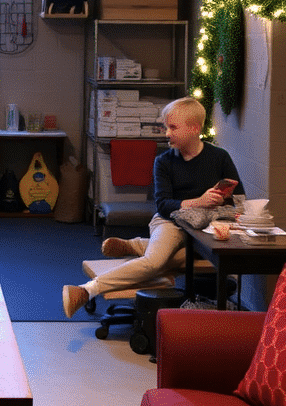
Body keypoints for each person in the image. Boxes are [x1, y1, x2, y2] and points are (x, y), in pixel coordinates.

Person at [62, 95, 243, 317]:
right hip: (171, 222)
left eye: (173, 128)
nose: (167, 133)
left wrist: (222, 201)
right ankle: (86, 290)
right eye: (166, 127)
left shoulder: (219, 157)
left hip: (204, 228)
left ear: (194, 128)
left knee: (179, 259)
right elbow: (164, 205)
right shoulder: (164, 161)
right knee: (155, 263)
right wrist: (199, 202)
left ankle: (138, 246)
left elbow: (238, 197)